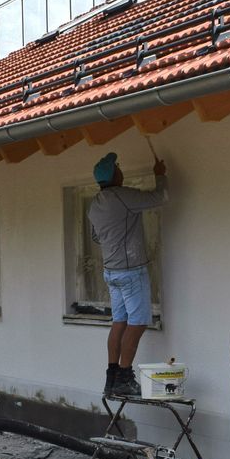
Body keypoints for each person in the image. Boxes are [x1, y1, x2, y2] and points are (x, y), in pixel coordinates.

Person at [88, 149, 168, 396]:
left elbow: (96, 237)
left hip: (111, 272)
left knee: (119, 322)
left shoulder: (95, 204)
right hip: (131, 271)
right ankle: (124, 376)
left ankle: (112, 377)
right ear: (114, 175)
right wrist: (160, 175)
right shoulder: (122, 196)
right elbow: (160, 197)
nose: (121, 170)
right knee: (138, 322)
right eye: (118, 167)